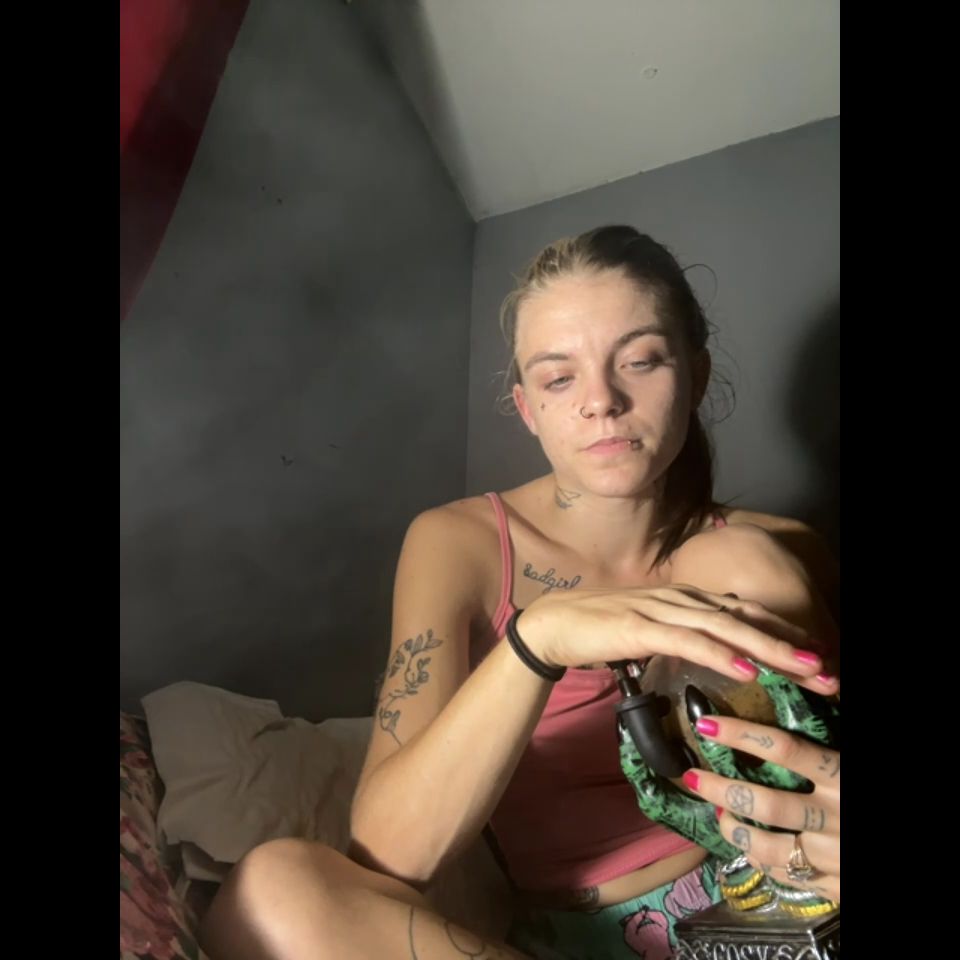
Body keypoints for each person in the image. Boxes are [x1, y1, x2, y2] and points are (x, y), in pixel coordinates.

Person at [200, 225, 840, 960]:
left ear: (694, 375)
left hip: (771, 906)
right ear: (528, 407)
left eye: (639, 360)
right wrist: (537, 640)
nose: (601, 401)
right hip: (579, 935)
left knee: (743, 561)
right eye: (559, 378)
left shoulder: (768, 554)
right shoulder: (461, 544)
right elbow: (392, 854)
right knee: (269, 894)